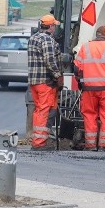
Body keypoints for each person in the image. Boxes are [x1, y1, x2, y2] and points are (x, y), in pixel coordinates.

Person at [74, 25, 105, 152]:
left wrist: (80, 82)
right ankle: (104, 145)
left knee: (90, 116)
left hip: (89, 89)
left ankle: (90, 145)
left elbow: (76, 68)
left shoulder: (85, 47)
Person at [27, 14, 63, 150]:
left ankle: (42, 139)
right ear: (51, 26)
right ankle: (39, 143)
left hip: (35, 81)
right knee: (43, 111)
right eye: (54, 25)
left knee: (48, 110)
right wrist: (58, 76)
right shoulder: (47, 40)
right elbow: (50, 61)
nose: (55, 28)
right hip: (46, 82)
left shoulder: (33, 38)